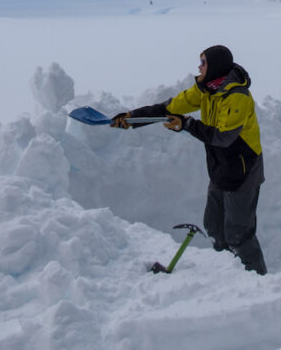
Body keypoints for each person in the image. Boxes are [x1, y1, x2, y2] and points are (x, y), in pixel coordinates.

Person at [112, 45, 267, 275]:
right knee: (214, 227)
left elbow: (223, 137)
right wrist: (132, 118)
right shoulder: (206, 90)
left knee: (238, 233)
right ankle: (229, 275)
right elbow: (169, 108)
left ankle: (259, 282)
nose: (199, 66)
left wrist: (186, 124)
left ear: (215, 67)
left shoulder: (237, 97)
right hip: (221, 168)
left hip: (244, 170)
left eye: (203, 62)